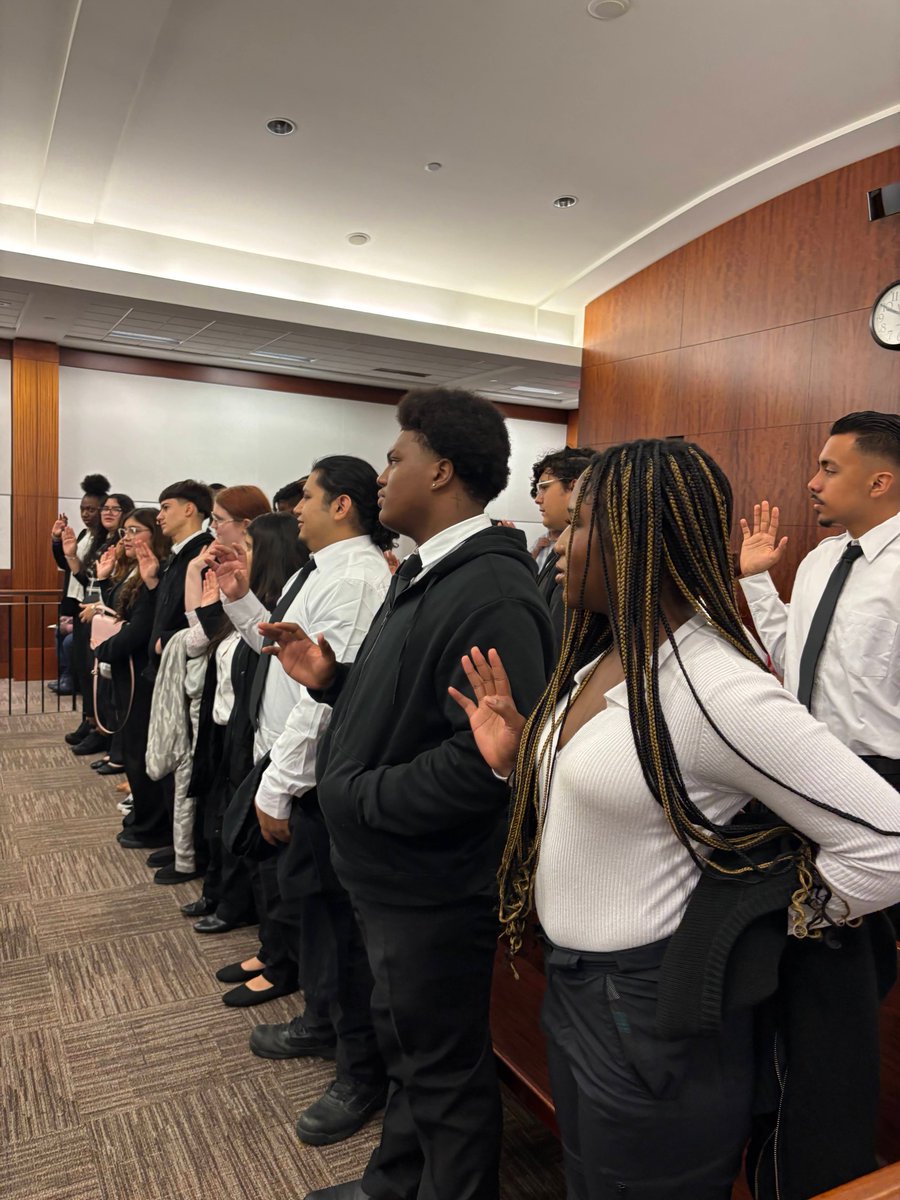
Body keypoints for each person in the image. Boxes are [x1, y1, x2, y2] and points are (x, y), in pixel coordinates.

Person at [454, 437, 900, 1200]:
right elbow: (617, 796)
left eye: (583, 524)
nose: (559, 544)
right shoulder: (607, 651)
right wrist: (518, 756)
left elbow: (887, 843)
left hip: (646, 1008)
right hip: (578, 989)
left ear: (642, 539)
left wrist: (754, 923)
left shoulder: (712, 686)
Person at [261, 388, 555, 1200]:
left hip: (435, 882)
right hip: (395, 874)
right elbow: (416, 706)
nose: (383, 475)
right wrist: (333, 680)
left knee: (445, 1069)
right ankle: (395, 1181)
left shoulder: (491, 589)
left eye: (396, 458)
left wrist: (356, 795)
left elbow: (490, 759)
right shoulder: (430, 569)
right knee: (409, 1051)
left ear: (442, 470)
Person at [219, 457, 393, 1147]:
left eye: (310, 497)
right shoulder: (321, 570)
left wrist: (280, 783)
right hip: (296, 766)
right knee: (312, 914)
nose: (298, 509)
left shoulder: (353, 580)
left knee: (341, 931)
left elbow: (326, 702)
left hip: (322, 777)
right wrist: (239, 598)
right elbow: (287, 657)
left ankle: (359, 1069)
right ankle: (323, 1021)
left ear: (342, 505)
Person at [738, 410, 900, 795]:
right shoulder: (821, 559)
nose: (813, 483)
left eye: (830, 470)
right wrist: (756, 579)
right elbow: (791, 656)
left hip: (880, 779)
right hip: (800, 762)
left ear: (878, 483)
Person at [181, 485, 273, 911]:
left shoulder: (266, 582)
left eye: (218, 521)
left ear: (247, 528)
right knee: (216, 807)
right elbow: (200, 640)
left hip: (247, 719)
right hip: (220, 711)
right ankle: (218, 891)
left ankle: (232, 902)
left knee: (235, 812)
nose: (211, 529)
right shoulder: (227, 573)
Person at [96, 509, 174, 850]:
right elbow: (120, 609)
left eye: (135, 530)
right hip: (129, 669)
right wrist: (102, 579)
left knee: (141, 751)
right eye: (124, 531)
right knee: (131, 747)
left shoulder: (156, 572)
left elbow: (141, 628)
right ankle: (143, 816)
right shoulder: (136, 571)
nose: (126, 537)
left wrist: (103, 649)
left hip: (142, 673)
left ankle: (151, 823)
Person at [54, 473, 109, 741]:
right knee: (80, 665)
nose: (86, 514)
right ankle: (87, 719)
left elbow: (87, 577)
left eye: (92, 509)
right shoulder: (86, 534)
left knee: (92, 668)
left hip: (94, 608)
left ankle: (96, 723)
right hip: (78, 606)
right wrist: (57, 541)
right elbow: (67, 564)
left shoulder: (105, 540)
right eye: (83, 509)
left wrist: (73, 559)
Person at [144, 479, 214, 678]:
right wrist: (151, 582)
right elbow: (167, 608)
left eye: (166, 508)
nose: (159, 517)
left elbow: (209, 617)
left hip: (184, 668)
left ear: (189, 509)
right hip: (165, 664)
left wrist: (166, 641)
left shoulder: (206, 554)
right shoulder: (176, 555)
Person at [530, 447, 595, 652]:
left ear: (575, 486)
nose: (538, 499)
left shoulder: (583, 556)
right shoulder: (558, 549)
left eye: (545, 487)